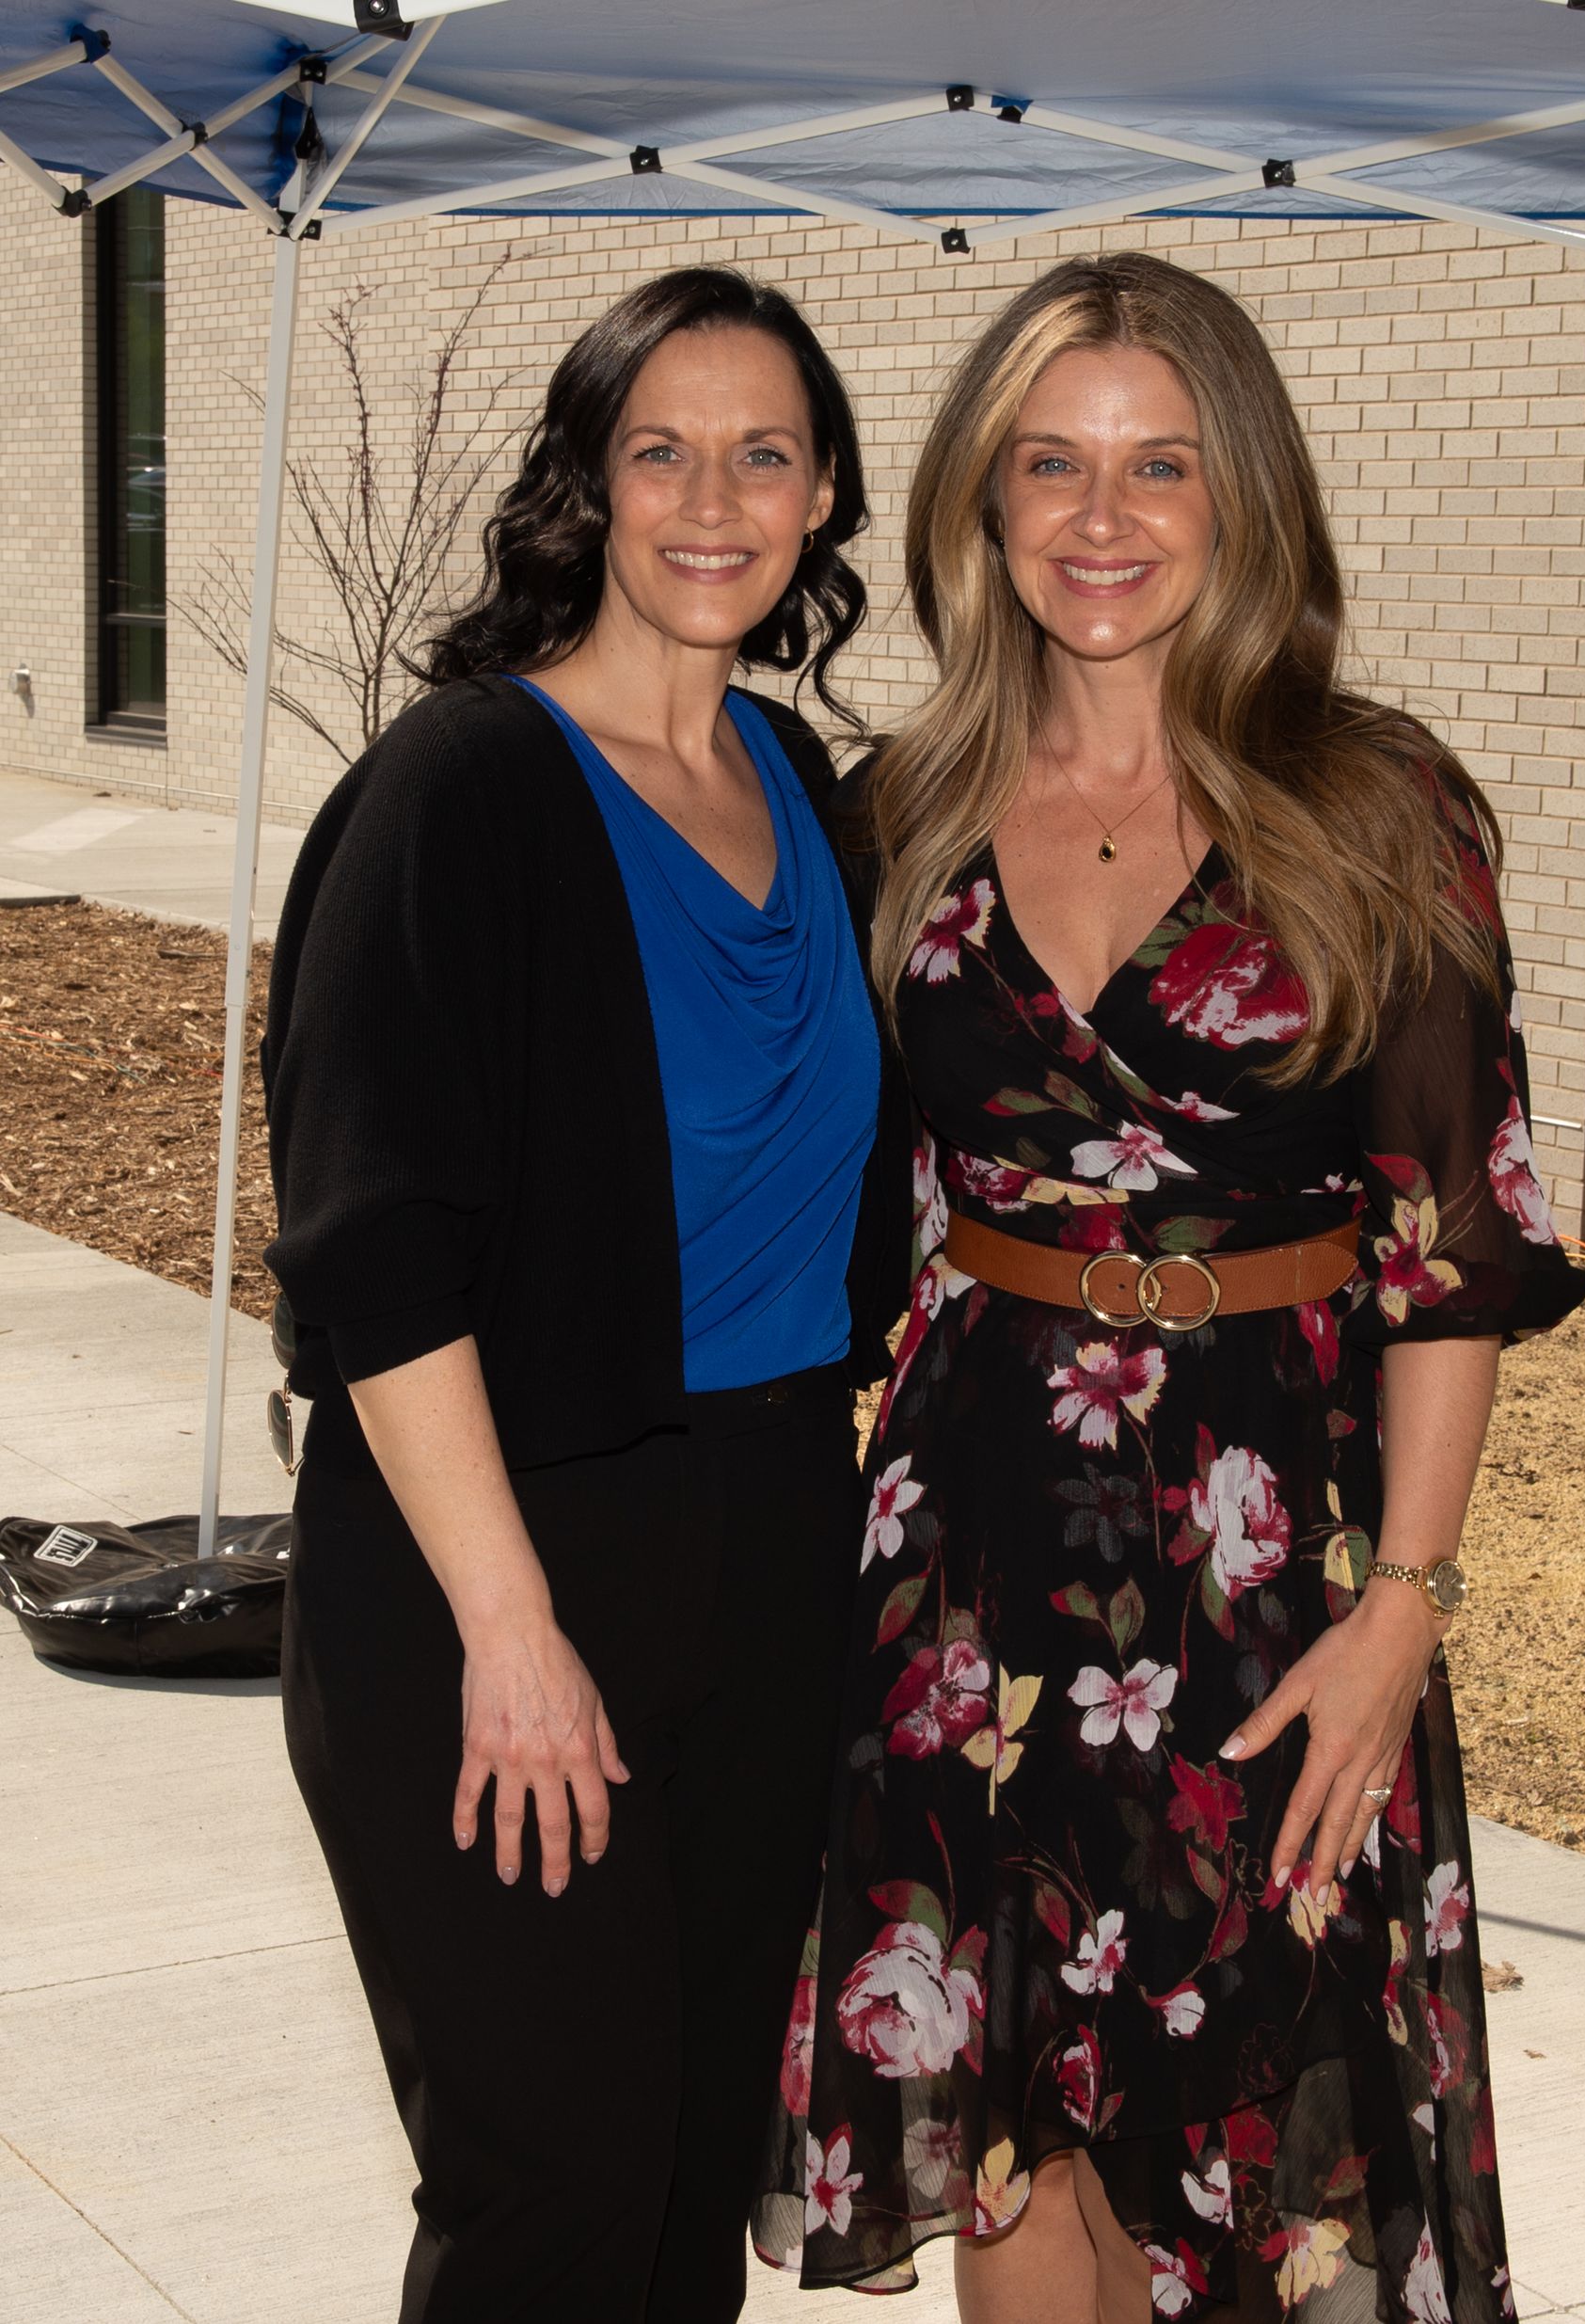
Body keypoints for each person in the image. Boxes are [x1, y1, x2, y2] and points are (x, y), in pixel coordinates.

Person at [755, 253, 1585, 2322]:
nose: (1101, 517)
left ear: (1245, 500)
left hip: (1272, 1564)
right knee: (1015, 2133)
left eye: (1159, 465)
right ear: (981, 495)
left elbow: (1453, 1247)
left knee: (1267, 2147)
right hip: (970, 1553)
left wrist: (1408, 1600)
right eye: (1052, 462)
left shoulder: (1379, 809)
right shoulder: (899, 813)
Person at [262, 265, 910, 2324]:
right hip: (499, 1556)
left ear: (821, 502)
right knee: (551, 2191)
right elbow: (371, 1252)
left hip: (771, 1534)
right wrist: (515, 1627)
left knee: (687, 2171)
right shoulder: (459, 792)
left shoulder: (811, 790)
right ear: (586, 482)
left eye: (766, 452)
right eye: (662, 448)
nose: (712, 495)